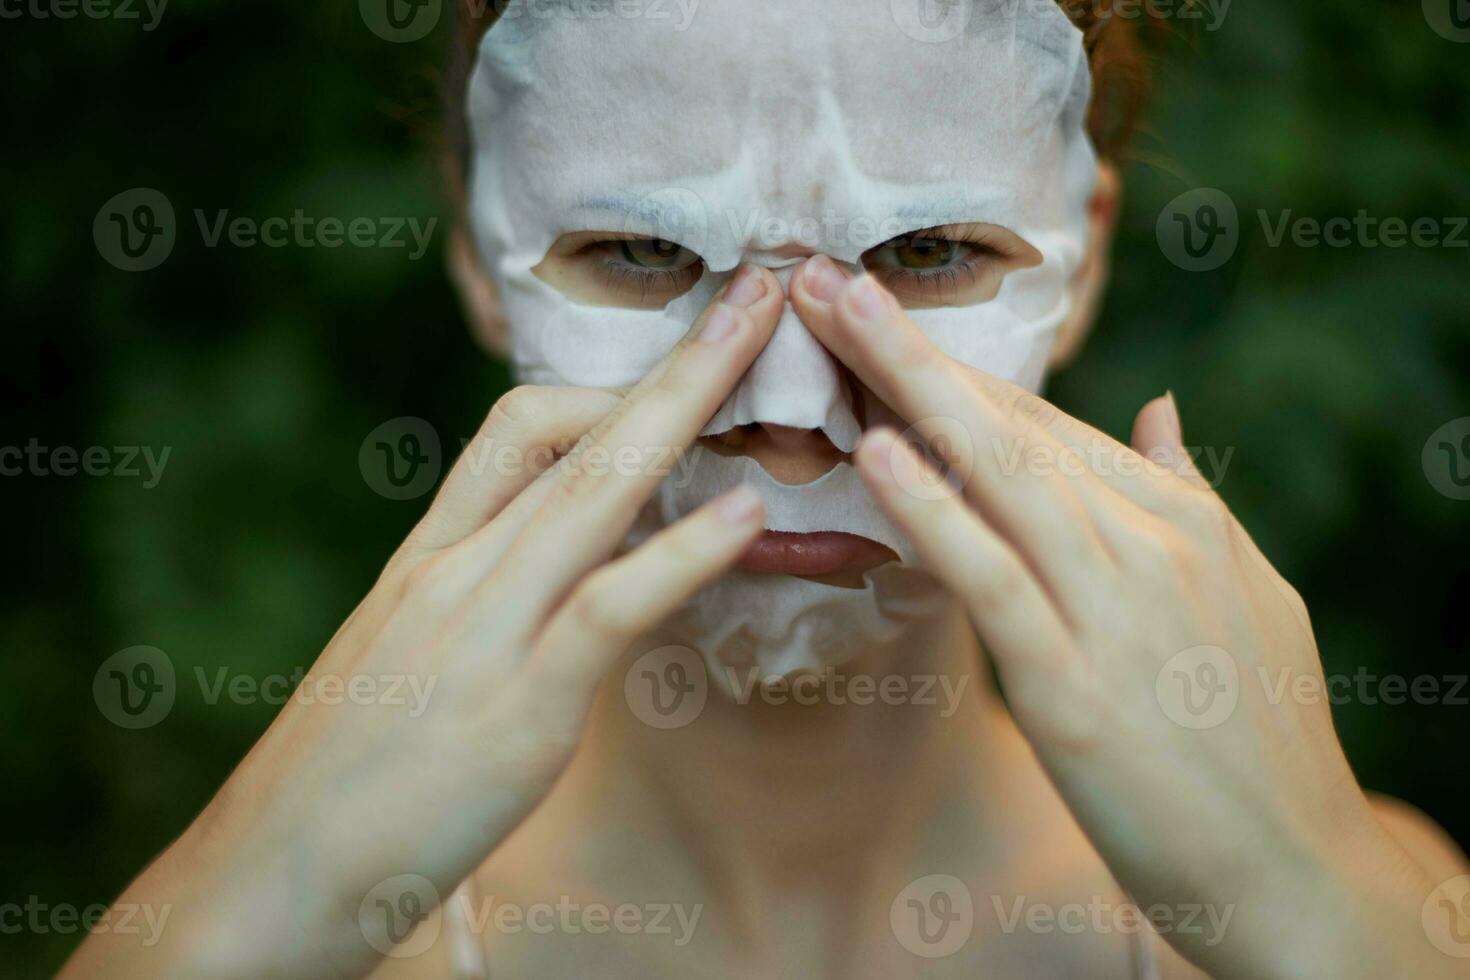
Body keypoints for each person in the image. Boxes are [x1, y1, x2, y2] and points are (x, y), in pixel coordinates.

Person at [63, 2, 1469, 977]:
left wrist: (1328, 929)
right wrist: (225, 937)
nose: (787, 415)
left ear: (1082, 253)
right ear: (483, 254)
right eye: (637, 254)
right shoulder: (320, 949)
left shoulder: (1362, 917)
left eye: (924, 254)